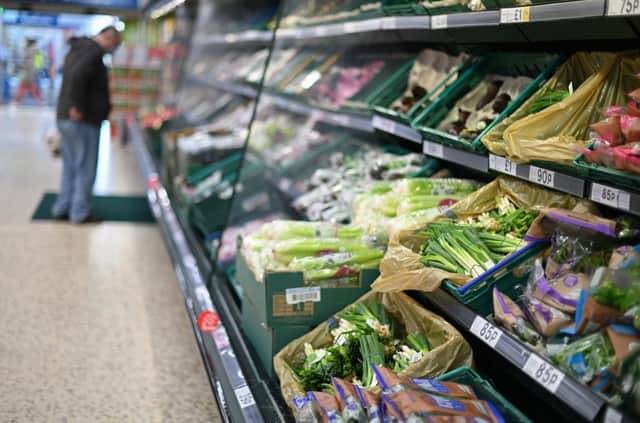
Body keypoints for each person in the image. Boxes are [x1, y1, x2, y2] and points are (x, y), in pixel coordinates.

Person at [52, 26, 122, 223]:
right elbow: (78, 76)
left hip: (65, 115)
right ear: (108, 38)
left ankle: (63, 207)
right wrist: (78, 106)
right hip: (83, 119)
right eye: (115, 44)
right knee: (85, 167)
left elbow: (73, 75)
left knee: (70, 165)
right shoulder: (93, 53)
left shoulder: (77, 48)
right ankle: (79, 212)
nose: (113, 49)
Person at [14, 39, 43, 104]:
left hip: (29, 72)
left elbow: (27, 62)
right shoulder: (35, 50)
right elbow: (38, 61)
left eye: (25, 42)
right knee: (29, 87)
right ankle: (39, 100)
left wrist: (23, 66)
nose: (24, 43)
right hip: (31, 71)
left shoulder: (30, 50)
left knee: (26, 86)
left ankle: (17, 100)